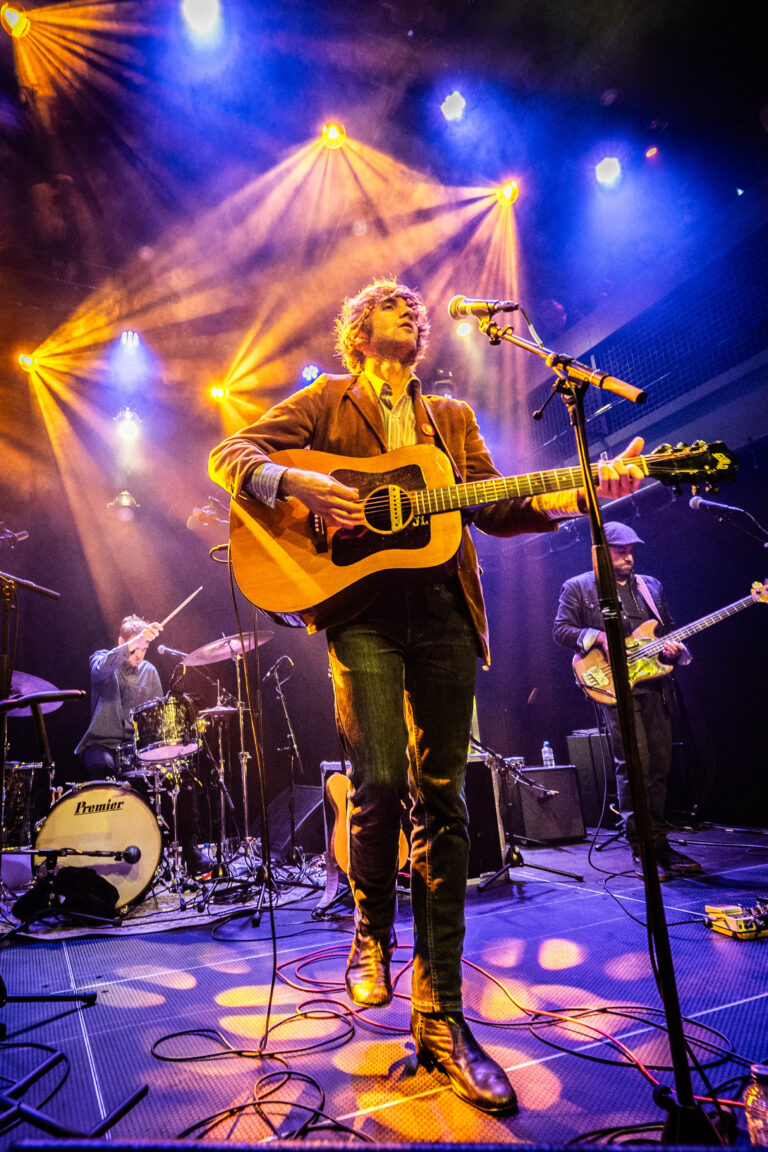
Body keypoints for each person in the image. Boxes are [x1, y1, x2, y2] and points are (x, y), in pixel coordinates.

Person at [209, 277, 643, 1115]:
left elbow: (499, 504)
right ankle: (371, 933)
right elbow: (232, 456)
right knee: (376, 782)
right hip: (362, 615)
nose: (410, 309)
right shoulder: (326, 401)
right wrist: (291, 481)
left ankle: (440, 1014)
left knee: (444, 801)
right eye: (390, 303)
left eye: (415, 305)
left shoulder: (451, 421)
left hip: (445, 615)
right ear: (357, 329)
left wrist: (584, 490)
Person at [553, 521, 702, 881]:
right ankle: (642, 849)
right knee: (634, 766)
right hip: (615, 688)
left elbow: (666, 628)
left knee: (661, 767)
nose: (628, 558)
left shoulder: (650, 586)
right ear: (602, 554)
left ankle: (661, 843)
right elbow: (561, 630)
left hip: (655, 686)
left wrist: (673, 648)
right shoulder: (578, 587)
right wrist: (597, 636)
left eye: (631, 551)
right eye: (621, 551)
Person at [75, 615, 208, 877]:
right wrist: (136, 640)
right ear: (122, 642)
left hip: (136, 749)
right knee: (102, 768)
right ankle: (108, 852)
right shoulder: (102, 659)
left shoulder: (149, 671)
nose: (139, 654)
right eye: (135, 647)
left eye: (144, 649)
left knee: (180, 771)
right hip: (104, 744)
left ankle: (189, 849)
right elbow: (102, 666)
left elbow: (155, 720)